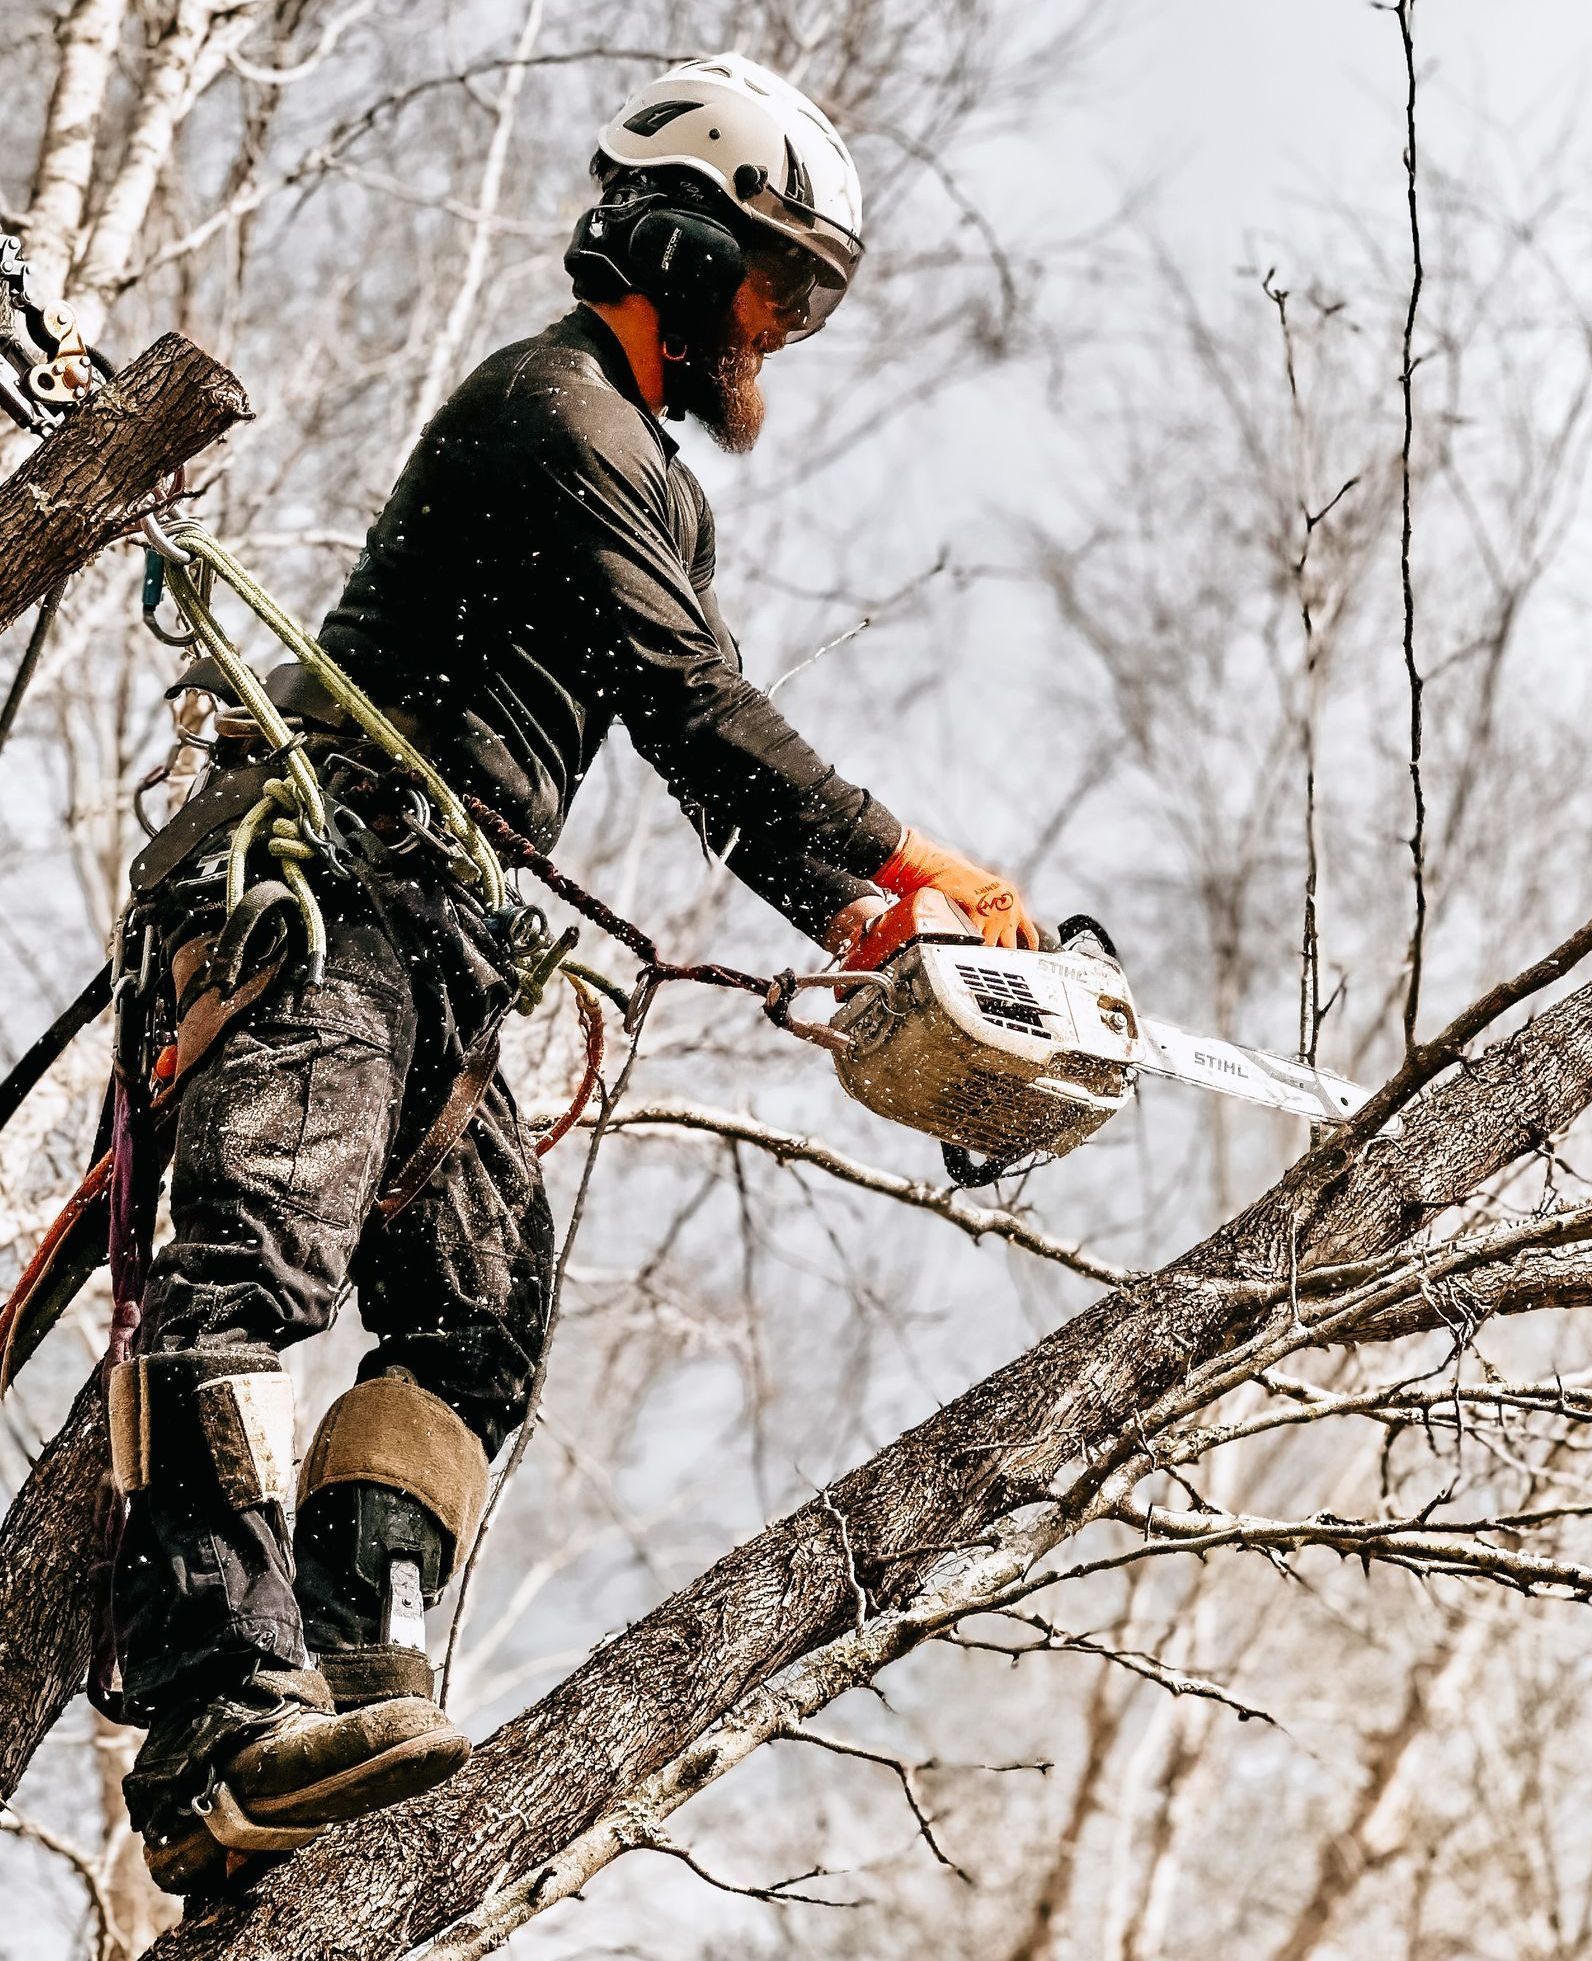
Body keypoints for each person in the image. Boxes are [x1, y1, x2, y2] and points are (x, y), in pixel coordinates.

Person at [110, 51, 1038, 1894]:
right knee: (258, 1243)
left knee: (481, 1302)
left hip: (443, 929)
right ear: (686, 249)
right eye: (779, 286)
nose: (782, 329)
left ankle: (355, 1663)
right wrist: (914, 873)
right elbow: (703, 718)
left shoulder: (659, 492)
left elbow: (701, 757)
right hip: (329, 876)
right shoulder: (556, 412)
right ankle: (215, 1721)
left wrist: (887, 937)